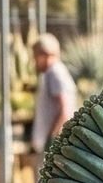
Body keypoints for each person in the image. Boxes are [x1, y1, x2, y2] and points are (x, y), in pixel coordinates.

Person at [30, 32, 79, 172]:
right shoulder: (54, 73)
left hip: (54, 144)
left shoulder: (55, 73)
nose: (35, 62)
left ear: (43, 55)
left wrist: (52, 140)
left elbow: (65, 110)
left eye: (35, 57)